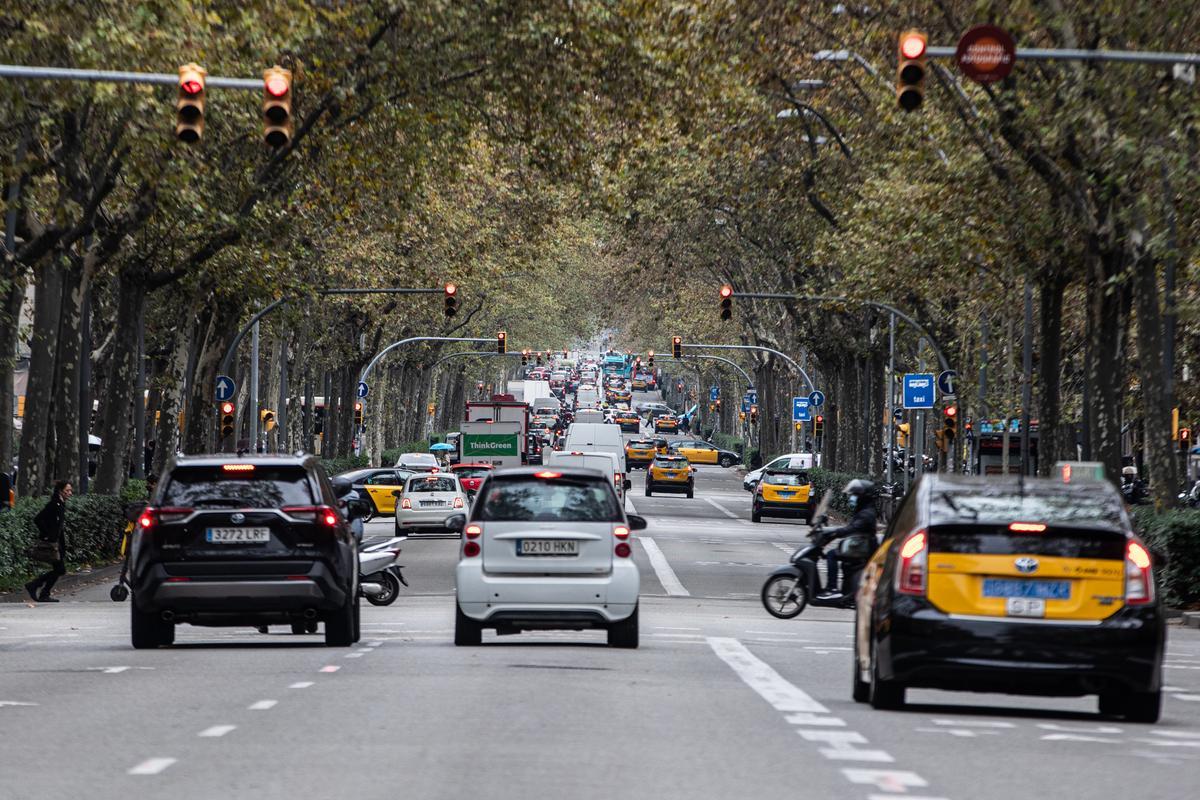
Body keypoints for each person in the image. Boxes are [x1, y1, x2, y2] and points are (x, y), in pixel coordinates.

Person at [816, 479, 877, 600]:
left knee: (831, 555)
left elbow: (852, 529)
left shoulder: (866, 514)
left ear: (862, 497)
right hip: (859, 545)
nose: (851, 498)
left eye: (854, 495)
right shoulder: (863, 510)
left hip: (861, 547)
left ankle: (832, 588)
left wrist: (834, 532)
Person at [26, 480, 73, 603]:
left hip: (58, 543)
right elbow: (38, 519)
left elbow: (58, 526)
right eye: (67, 490)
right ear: (60, 491)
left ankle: (40, 590)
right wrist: (46, 535)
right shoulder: (54, 504)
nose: (70, 493)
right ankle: (36, 587)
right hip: (52, 543)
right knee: (60, 569)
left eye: (70, 490)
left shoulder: (61, 504)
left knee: (59, 569)